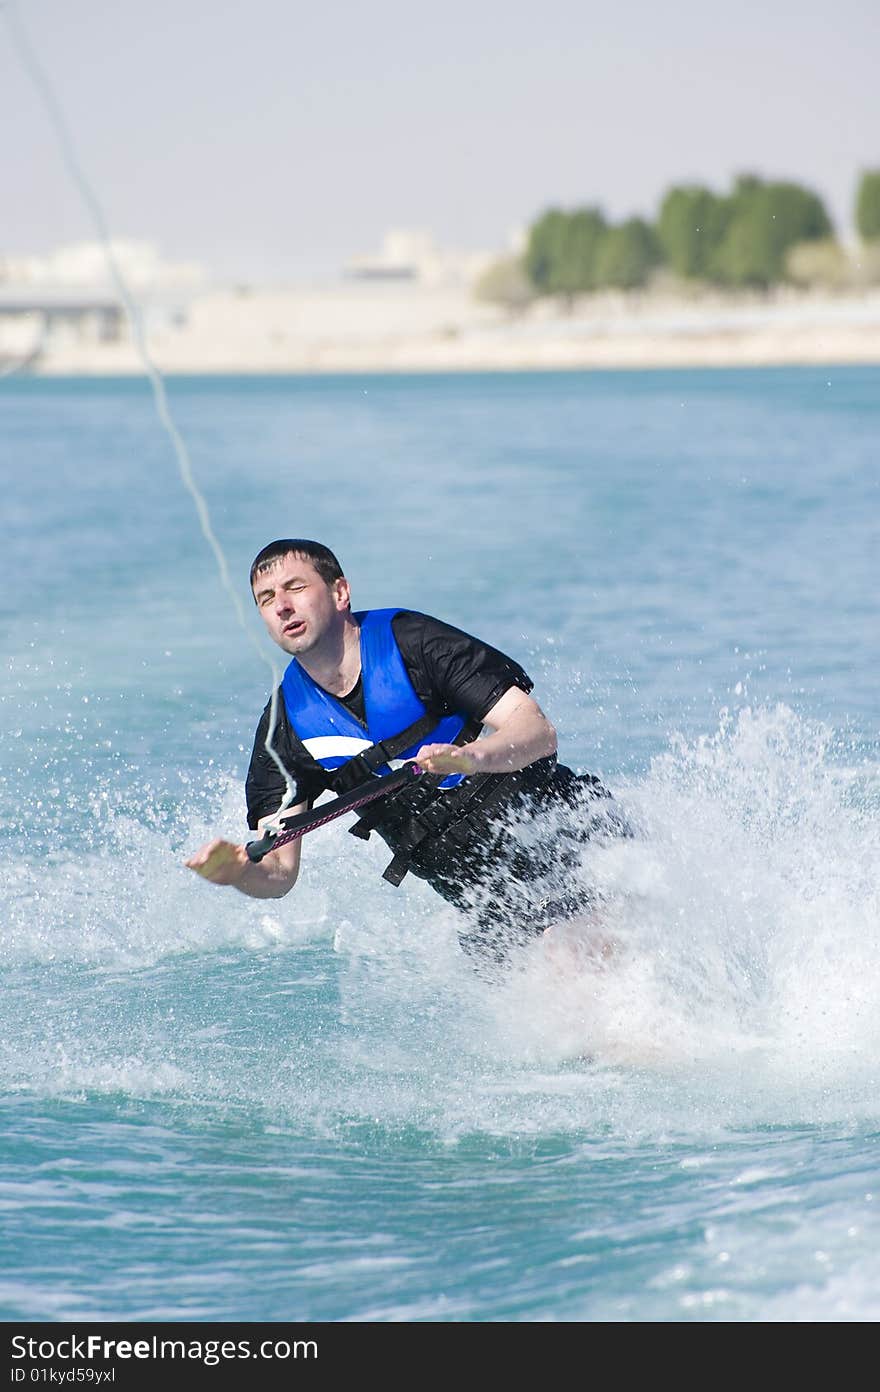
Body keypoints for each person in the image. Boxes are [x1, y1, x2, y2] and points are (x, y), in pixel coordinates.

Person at [186, 539, 629, 968]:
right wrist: (239, 874)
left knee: (573, 958)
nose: (281, 606)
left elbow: (536, 730)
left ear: (340, 592)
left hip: (572, 838)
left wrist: (474, 757)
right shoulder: (286, 728)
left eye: (295, 588)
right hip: (490, 903)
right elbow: (279, 872)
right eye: (266, 599)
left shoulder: (413, 642)